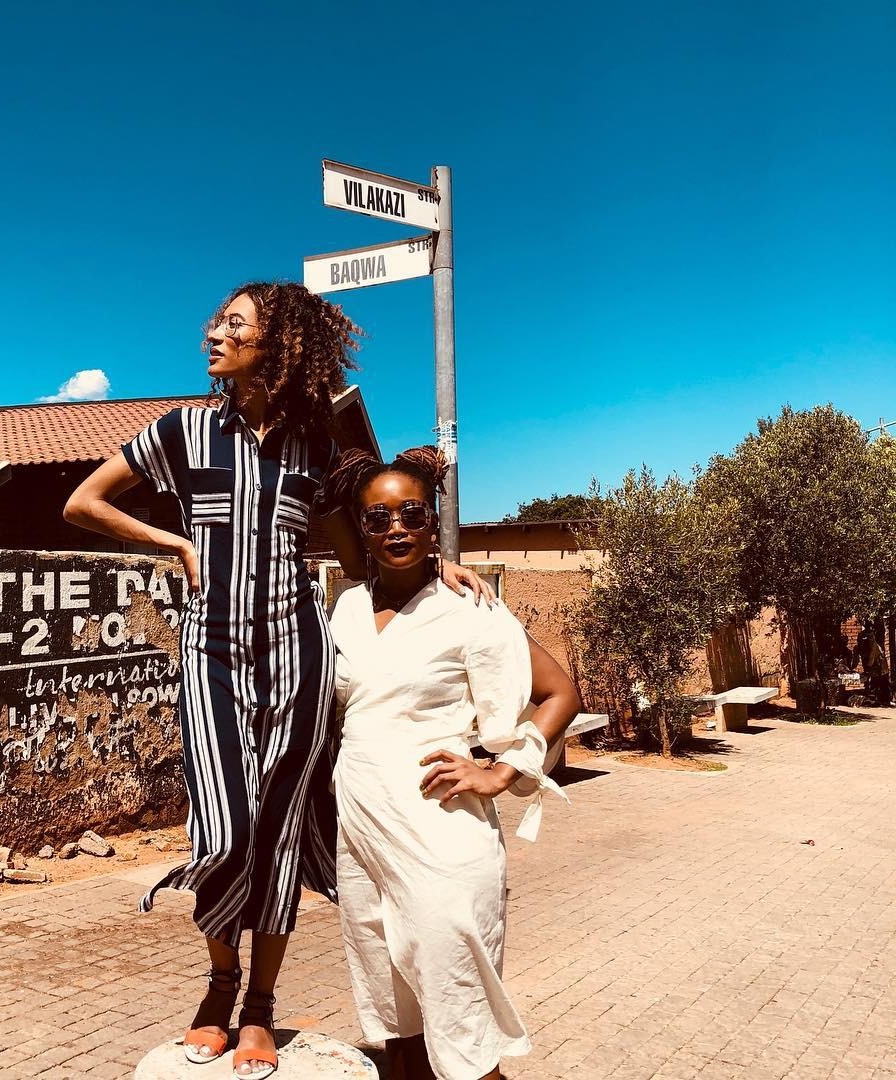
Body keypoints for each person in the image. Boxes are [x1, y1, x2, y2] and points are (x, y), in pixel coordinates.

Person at [63, 283, 492, 1079]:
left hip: (298, 650)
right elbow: (82, 503)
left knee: (279, 829)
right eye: (217, 321)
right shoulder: (182, 432)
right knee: (225, 829)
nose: (213, 334)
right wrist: (172, 543)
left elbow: (364, 551)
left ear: (280, 345)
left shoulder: (316, 448)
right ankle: (220, 978)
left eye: (235, 324)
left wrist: (436, 567)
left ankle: (257, 1003)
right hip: (210, 651)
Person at [323, 446, 580, 1080]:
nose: (396, 528)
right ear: (361, 529)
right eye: (378, 518)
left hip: (440, 832)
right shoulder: (346, 608)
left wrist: (501, 772)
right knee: (392, 1009)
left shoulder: (471, 609)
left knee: (459, 1004)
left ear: (434, 520)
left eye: (412, 514)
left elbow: (561, 693)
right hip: (361, 833)